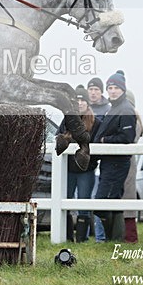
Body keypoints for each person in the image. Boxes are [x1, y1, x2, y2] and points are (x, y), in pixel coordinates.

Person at [92, 70, 136, 241]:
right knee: (113, 199)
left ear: (123, 90)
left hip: (117, 163)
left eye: (116, 87)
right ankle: (115, 239)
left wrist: (103, 140)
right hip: (109, 162)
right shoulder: (115, 108)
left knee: (103, 201)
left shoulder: (125, 109)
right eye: (110, 87)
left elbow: (127, 138)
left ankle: (113, 238)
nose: (112, 91)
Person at [55, 86, 101, 242]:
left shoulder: (96, 122)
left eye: (83, 100)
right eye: (77, 100)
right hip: (68, 168)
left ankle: (82, 238)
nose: (80, 103)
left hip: (86, 170)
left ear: (88, 103)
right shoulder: (67, 120)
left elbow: (96, 144)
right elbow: (58, 137)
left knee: (83, 201)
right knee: (65, 199)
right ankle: (67, 236)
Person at [122, 89, 143, 243]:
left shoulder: (133, 121)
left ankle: (130, 236)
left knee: (128, 198)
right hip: (121, 163)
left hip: (128, 162)